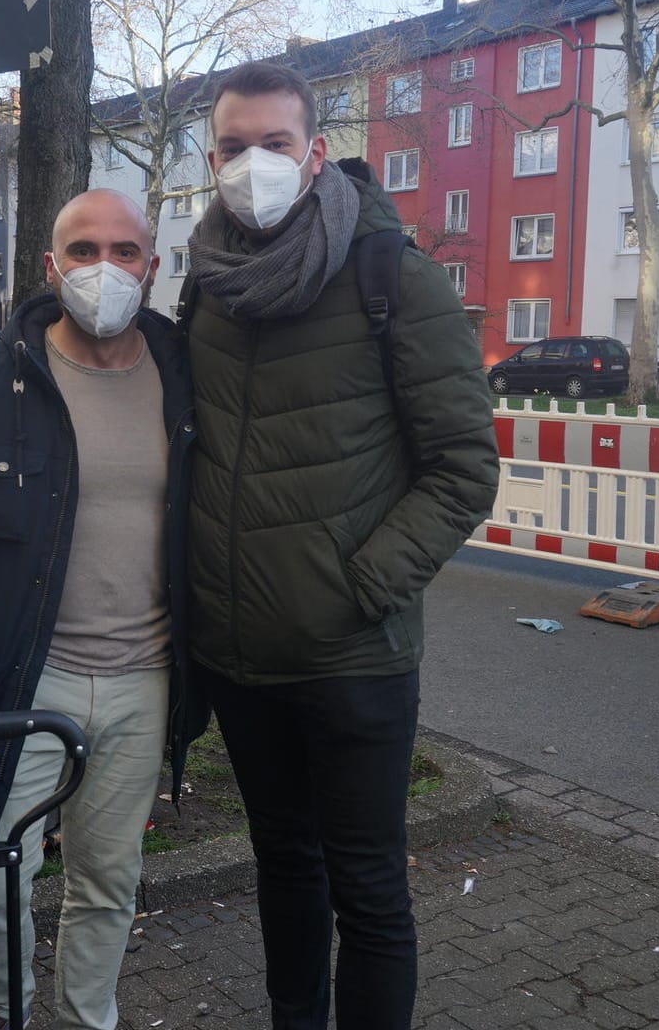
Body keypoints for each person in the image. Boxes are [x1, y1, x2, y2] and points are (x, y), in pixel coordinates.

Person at [179, 61, 498, 1030]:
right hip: (241, 660)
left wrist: (362, 586)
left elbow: (463, 467)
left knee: (366, 886)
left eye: (274, 144)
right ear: (211, 158)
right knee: (284, 864)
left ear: (315, 155)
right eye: (233, 147)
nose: (252, 164)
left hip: (353, 656)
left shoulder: (387, 273)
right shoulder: (208, 280)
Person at [0, 189, 201, 1030]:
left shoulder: (187, 384)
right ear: (51, 266)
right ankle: (6, 1016)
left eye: (125, 251)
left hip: (145, 682)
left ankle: (87, 1019)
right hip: (19, 683)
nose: (106, 268)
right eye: (84, 249)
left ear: (153, 266)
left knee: (110, 879)